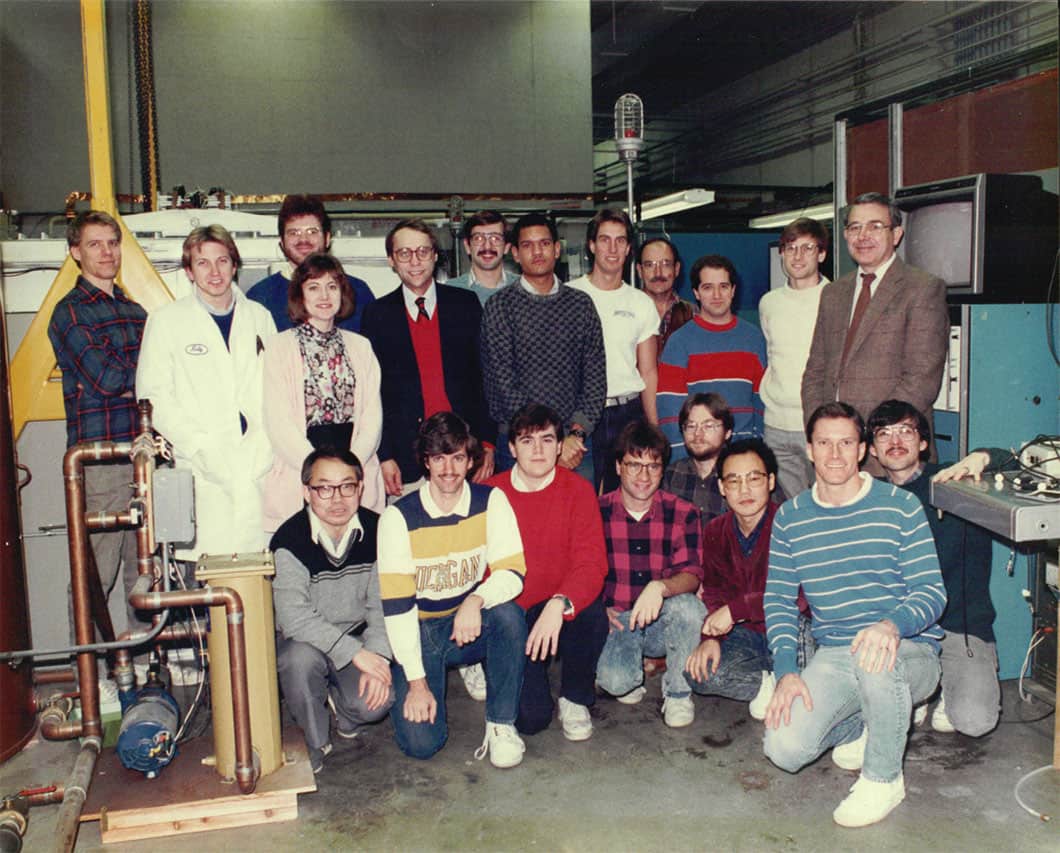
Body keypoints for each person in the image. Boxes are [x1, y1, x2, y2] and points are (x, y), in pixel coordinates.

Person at [763, 402, 946, 828]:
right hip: (837, 653)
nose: (834, 454)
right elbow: (778, 600)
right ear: (808, 449)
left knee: (876, 660)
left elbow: (932, 593)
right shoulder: (790, 518)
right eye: (824, 443)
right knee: (784, 750)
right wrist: (787, 670)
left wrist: (891, 625)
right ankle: (871, 722)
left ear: (862, 449)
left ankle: (884, 779)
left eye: (846, 442)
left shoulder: (900, 506)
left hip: (908, 650)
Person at [377, 412, 529, 767]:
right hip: (422, 631)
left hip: (468, 622)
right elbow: (398, 609)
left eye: (458, 457)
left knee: (509, 615)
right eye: (439, 458)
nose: (449, 468)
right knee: (422, 744)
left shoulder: (491, 501)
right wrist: (416, 683)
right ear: (426, 462)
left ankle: (501, 725)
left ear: (470, 459)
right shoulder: (398, 518)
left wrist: (476, 600)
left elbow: (513, 572)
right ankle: (432, 677)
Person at [136, 224, 276, 559]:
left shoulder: (260, 317)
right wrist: (200, 446)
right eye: (203, 263)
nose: (214, 272)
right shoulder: (167, 321)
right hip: (201, 464)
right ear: (188, 271)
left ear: (235, 265)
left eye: (222, 261)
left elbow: (277, 387)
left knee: (260, 574)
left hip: (259, 463)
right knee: (210, 580)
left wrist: (267, 445)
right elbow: (154, 395)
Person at [867, 400, 999, 736]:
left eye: (906, 431)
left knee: (975, 722)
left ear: (923, 442)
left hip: (959, 630)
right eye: (884, 434)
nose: (895, 441)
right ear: (872, 450)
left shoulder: (954, 482)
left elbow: (1018, 463)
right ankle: (922, 688)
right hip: (905, 631)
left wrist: (982, 456)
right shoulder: (870, 498)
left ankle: (945, 688)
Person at [48, 210, 147, 640]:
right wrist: (148, 380)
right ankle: (93, 682)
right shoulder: (68, 313)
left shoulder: (135, 309)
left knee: (142, 575)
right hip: (102, 460)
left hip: (142, 456)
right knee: (96, 575)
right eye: (95, 244)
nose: (107, 252)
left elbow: (133, 376)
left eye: (112, 242)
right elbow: (106, 379)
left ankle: (144, 673)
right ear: (75, 252)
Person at [801, 192, 948, 475]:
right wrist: (822, 432)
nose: (863, 235)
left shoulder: (922, 288)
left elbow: (921, 379)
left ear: (896, 234)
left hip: (890, 457)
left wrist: (864, 436)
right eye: (854, 227)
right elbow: (815, 371)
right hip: (833, 456)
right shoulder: (833, 293)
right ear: (845, 236)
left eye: (875, 226)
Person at [488, 404, 609, 741]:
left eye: (547, 440)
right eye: (527, 441)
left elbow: (592, 563)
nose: (538, 450)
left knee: (591, 611)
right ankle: (496, 663)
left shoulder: (579, 490)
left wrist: (560, 603)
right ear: (511, 448)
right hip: (513, 612)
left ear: (560, 446)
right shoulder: (490, 494)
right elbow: (484, 573)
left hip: (557, 606)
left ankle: (574, 696)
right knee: (530, 720)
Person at [272, 448, 394, 774]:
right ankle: (315, 739)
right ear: (306, 492)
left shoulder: (380, 530)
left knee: (377, 702)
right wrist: (356, 653)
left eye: (347, 486)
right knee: (298, 661)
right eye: (324, 488)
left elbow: (383, 605)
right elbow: (294, 618)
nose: (337, 498)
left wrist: (378, 656)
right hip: (305, 642)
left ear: (361, 488)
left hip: (357, 637)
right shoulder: (289, 540)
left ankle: (345, 709)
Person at [361, 219, 495, 499]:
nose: (415, 261)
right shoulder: (377, 315)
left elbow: (486, 378)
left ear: (435, 255)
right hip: (406, 459)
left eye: (422, 251)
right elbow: (371, 394)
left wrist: (487, 443)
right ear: (391, 261)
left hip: (466, 452)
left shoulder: (465, 304)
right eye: (404, 253)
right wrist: (384, 456)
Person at [262, 253, 385, 533]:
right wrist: (321, 476)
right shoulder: (278, 348)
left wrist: (347, 475)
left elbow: (371, 416)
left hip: (355, 461)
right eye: (313, 287)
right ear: (299, 295)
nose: (324, 295)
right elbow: (278, 422)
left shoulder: (361, 346)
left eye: (332, 286)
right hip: (302, 469)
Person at [595, 420, 706, 728]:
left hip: (661, 621)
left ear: (662, 470)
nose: (644, 476)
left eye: (653, 466)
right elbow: (581, 570)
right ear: (618, 466)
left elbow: (693, 575)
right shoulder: (595, 512)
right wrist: (597, 608)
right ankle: (630, 672)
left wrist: (660, 587)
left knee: (689, 607)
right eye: (634, 465)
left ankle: (679, 694)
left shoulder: (683, 512)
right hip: (616, 620)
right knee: (617, 682)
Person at [480, 212, 606, 479]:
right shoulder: (500, 306)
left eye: (545, 244)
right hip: (519, 442)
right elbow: (503, 384)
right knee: (519, 520)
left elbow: (595, 378)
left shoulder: (581, 305)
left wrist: (573, 435)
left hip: (575, 446)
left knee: (575, 519)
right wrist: (548, 441)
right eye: (527, 245)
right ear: (514, 253)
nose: (537, 252)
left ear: (557, 249)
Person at [684, 438, 794, 718]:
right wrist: (712, 637)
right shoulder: (715, 530)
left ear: (770, 481)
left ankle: (786, 680)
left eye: (754, 479)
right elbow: (715, 593)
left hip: (792, 631)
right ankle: (766, 684)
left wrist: (735, 611)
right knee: (698, 674)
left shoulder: (792, 524)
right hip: (746, 634)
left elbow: (798, 598)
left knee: (814, 677)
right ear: (721, 487)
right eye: (734, 481)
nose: (744, 490)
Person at [569, 209, 659, 491]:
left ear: (629, 248)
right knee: (582, 495)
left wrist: (653, 428)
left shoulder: (641, 302)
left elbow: (648, 371)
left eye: (620, 241)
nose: (612, 248)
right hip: (581, 415)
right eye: (605, 240)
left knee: (626, 497)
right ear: (592, 245)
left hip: (627, 413)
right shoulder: (568, 296)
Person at [658, 254, 767, 456]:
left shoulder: (754, 338)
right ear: (696, 293)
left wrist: (755, 450)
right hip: (697, 457)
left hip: (743, 456)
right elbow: (670, 415)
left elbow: (762, 402)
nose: (717, 295)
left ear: (733, 290)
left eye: (724, 286)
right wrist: (683, 460)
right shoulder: (679, 342)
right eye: (708, 287)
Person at [759, 217, 830, 497]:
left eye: (807, 248)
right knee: (793, 510)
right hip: (775, 425)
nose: (797, 256)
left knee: (827, 503)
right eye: (790, 248)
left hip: (818, 423)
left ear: (822, 254)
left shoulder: (835, 298)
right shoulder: (769, 303)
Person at [247, 193, 374, 333]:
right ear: (282, 242)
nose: (303, 240)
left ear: (327, 238)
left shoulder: (358, 291)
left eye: (312, 231)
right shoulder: (260, 297)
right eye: (294, 233)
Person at [661, 392, 733, 522]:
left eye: (708, 426)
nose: (697, 434)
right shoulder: (672, 474)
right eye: (691, 426)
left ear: (727, 433)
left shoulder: (743, 473)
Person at [637, 237, 694, 358]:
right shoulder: (626, 313)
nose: (658, 273)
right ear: (639, 271)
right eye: (649, 265)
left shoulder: (694, 314)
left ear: (676, 269)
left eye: (665, 264)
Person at [447, 210, 518, 304]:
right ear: (467, 247)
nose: (487, 246)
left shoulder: (524, 288)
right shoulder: (450, 291)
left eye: (495, 238)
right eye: (479, 238)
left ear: (506, 247)